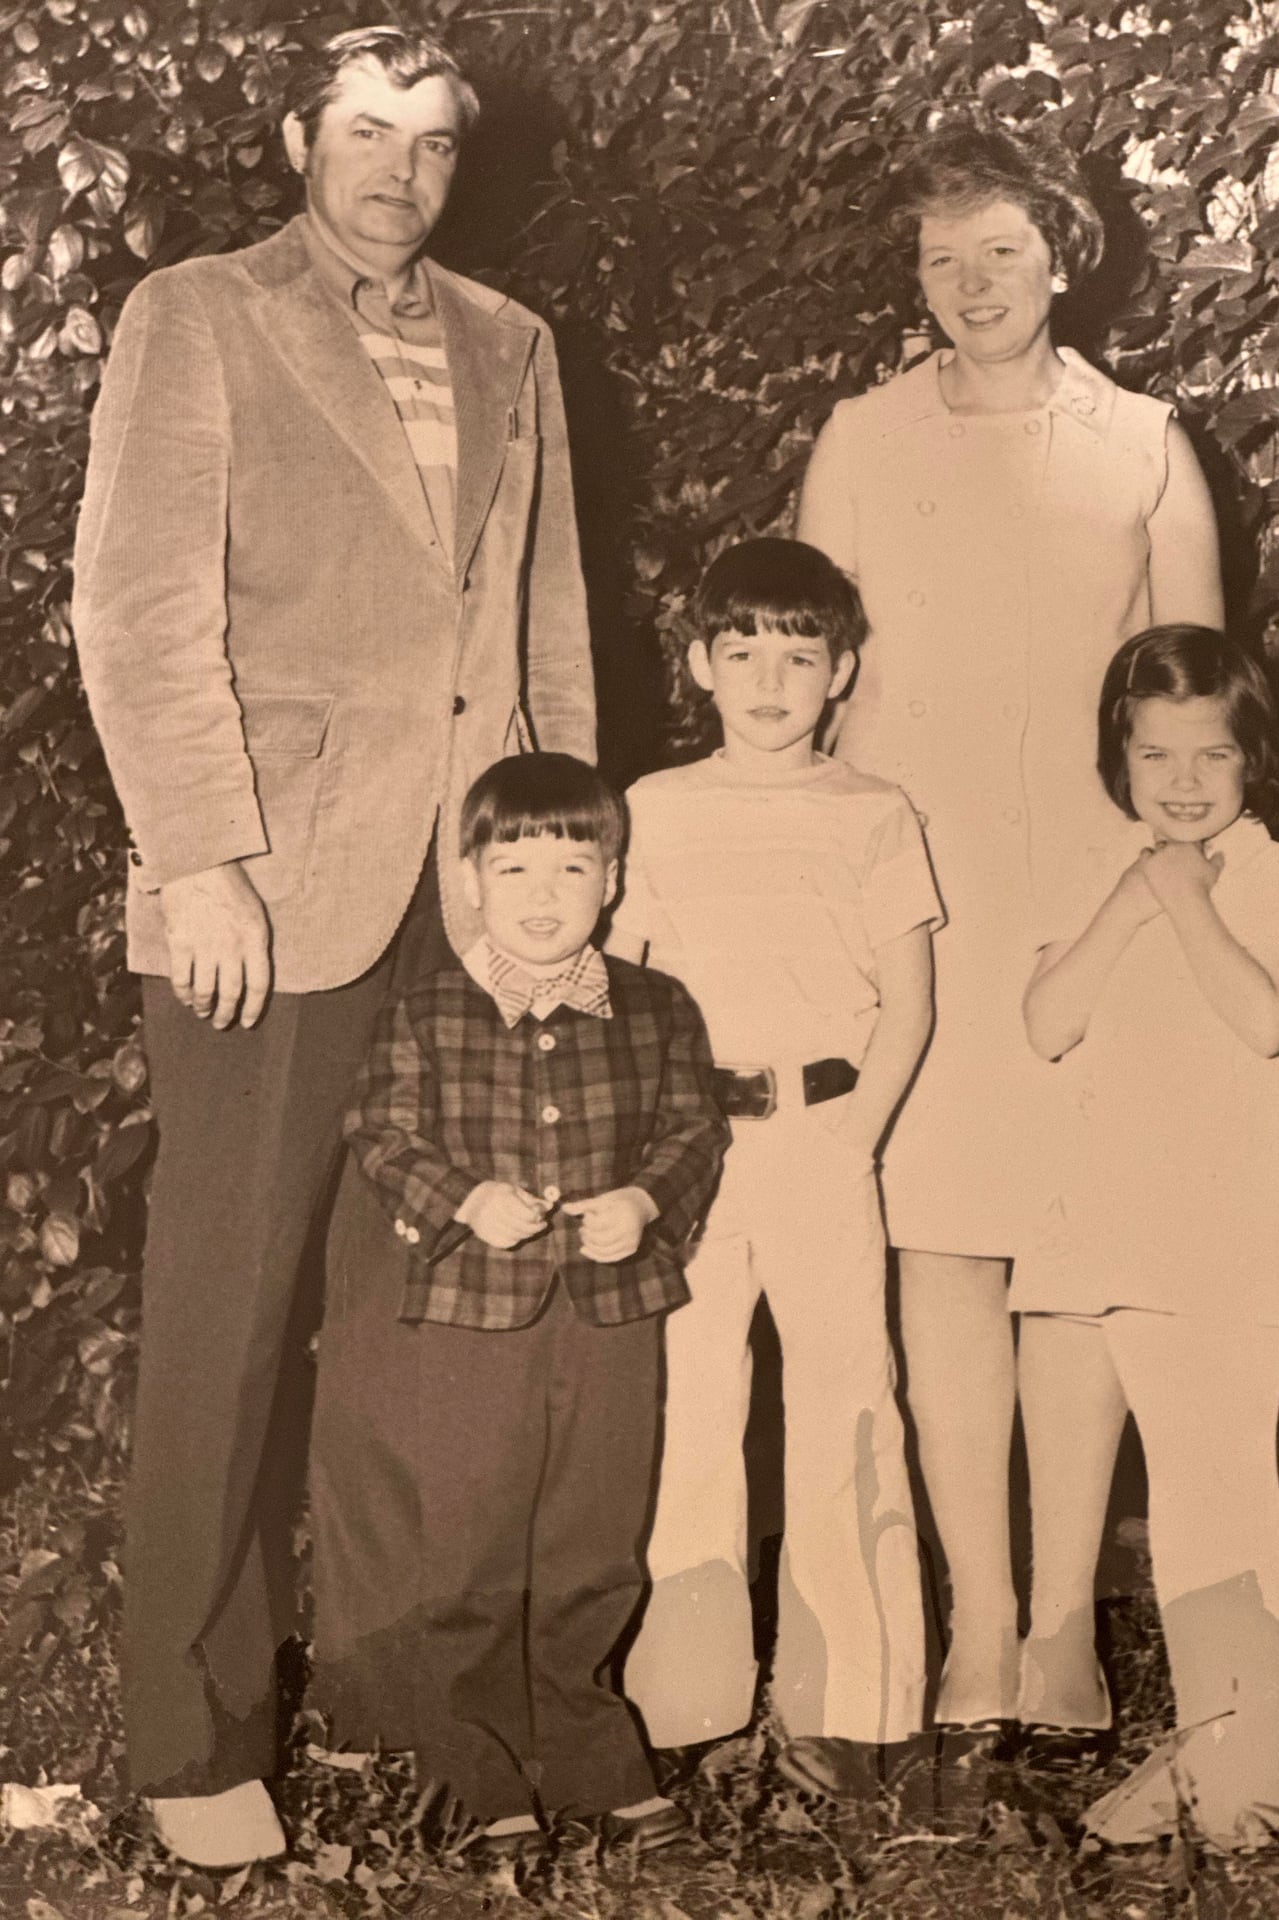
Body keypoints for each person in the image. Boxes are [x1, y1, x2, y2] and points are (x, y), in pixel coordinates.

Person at [70, 26, 594, 1867]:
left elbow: (543, 637)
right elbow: (136, 611)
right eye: (365, 133)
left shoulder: (512, 344)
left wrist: (558, 887)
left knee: (426, 1336)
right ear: (301, 137)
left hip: (461, 907)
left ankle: (407, 1699)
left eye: (433, 144)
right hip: (265, 897)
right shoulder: (199, 314)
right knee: (224, 1319)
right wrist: (198, 857)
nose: (397, 171)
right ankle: (194, 1740)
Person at [796, 114, 1224, 1741]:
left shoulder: (1144, 444)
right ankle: (972, 1620)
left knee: (1080, 1256)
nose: (971, 282)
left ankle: (1061, 1629)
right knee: (942, 1248)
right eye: (941, 256)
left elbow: (1195, 703)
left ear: (1062, 254)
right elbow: (815, 697)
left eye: (1000, 249)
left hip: (1100, 907)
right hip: (923, 905)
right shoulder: (859, 441)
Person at [306, 752, 727, 1853]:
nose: (544, 896)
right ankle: (474, 1756)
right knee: (474, 1540)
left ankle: (587, 1746)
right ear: (472, 882)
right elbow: (380, 1131)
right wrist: (465, 1197)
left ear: (614, 880)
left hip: (612, 1314)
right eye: (516, 867)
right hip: (470, 1316)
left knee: (595, 1539)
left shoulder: (656, 1006)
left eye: (572, 867)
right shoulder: (429, 1011)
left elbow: (696, 1130)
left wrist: (643, 1199)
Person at [611, 539, 940, 1799]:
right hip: (690, 1150)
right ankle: (684, 1702)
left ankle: (853, 1705)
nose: (769, 680)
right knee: (691, 1408)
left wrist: (852, 1142)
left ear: (840, 672)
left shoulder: (874, 811)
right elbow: (625, 994)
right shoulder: (655, 807)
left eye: (799, 657)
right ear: (700, 665)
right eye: (741, 653)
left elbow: (907, 1004)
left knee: (849, 1404)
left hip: (822, 1138)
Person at [1013, 625, 1279, 1846]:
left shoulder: (1274, 869)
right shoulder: (1110, 867)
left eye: (1211, 753)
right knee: (1186, 1486)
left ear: (1251, 759)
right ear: (1122, 756)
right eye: (1157, 754)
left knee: (1223, 1483)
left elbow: (1265, 1019)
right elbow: (1046, 1020)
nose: (1185, 781)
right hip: (1128, 1221)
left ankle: (1255, 1761)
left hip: (1235, 1218)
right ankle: (1222, 1738)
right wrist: (1133, 895)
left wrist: (1184, 900)